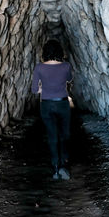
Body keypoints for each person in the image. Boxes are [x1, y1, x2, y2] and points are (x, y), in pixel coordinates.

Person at [31, 39, 73, 180]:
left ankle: (55, 167)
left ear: (45, 52)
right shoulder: (66, 66)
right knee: (64, 134)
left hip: (46, 104)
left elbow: (34, 89)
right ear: (60, 52)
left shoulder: (39, 68)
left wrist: (44, 89)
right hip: (62, 103)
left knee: (52, 135)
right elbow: (69, 79)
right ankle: (63, 165)